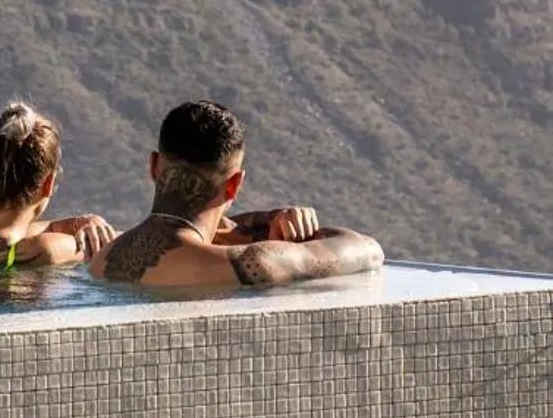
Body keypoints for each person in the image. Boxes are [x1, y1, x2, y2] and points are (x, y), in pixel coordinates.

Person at [91, 98, 383, 291]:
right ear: (234, 185)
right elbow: (368, 251)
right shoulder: (249, 265)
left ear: (154, 166)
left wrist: (267, 220)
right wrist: (275, 225)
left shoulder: (104, 258)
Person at [0, 101, 116, 268]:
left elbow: (28, 228)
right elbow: (113, 245)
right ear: (48, 183)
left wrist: (82, 222)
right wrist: (98, 230)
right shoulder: (45, 249)